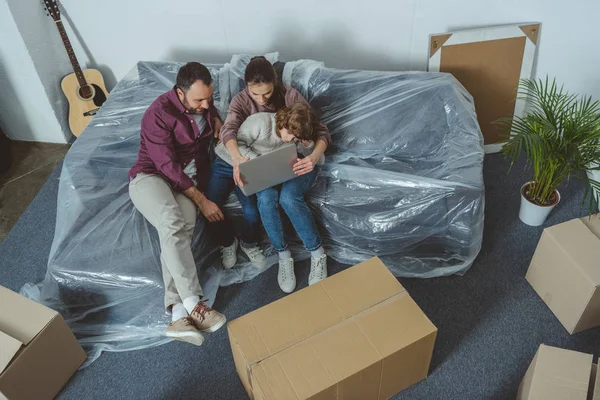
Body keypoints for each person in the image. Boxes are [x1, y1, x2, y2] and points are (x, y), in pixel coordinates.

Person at [128, 62, 226, 346]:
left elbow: (209, 110)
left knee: (181, 229)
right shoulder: (157, 115)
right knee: (171, 220)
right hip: (151, 176)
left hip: (184, 181)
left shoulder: (203, 104)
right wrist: (202, 200)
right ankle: (195, 303)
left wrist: (216, 117)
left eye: (210, 97)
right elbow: (167, 168)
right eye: (199, 100)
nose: (206, 104)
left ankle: (177, 315)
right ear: (180, 93)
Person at [205, 55, 331, 272]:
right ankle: (234, 244)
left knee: (272, 202)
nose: (262, 100)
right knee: (216, 202)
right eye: (256, 94)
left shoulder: (290, 97)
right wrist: (238, 160)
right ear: (247, 87)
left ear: (276, 84)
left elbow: (316, 129)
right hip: (238, 156)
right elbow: (229, 131)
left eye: (268, 93)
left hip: (267, 159)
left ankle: (300, 252)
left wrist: (312, 157)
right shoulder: (244, 104)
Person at [214, 102, 327, 293]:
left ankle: (318, 254)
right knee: (266, 199)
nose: (290, 139)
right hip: (264, 168)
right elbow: (231, 146)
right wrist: (258, 161)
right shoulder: (259, 123)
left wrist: (308, 147)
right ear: (282, 121)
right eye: (288, 133)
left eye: (295, 138)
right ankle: (284, 256)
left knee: (288, 199)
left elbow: (319, 159)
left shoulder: (300, 131)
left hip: (291, 167)